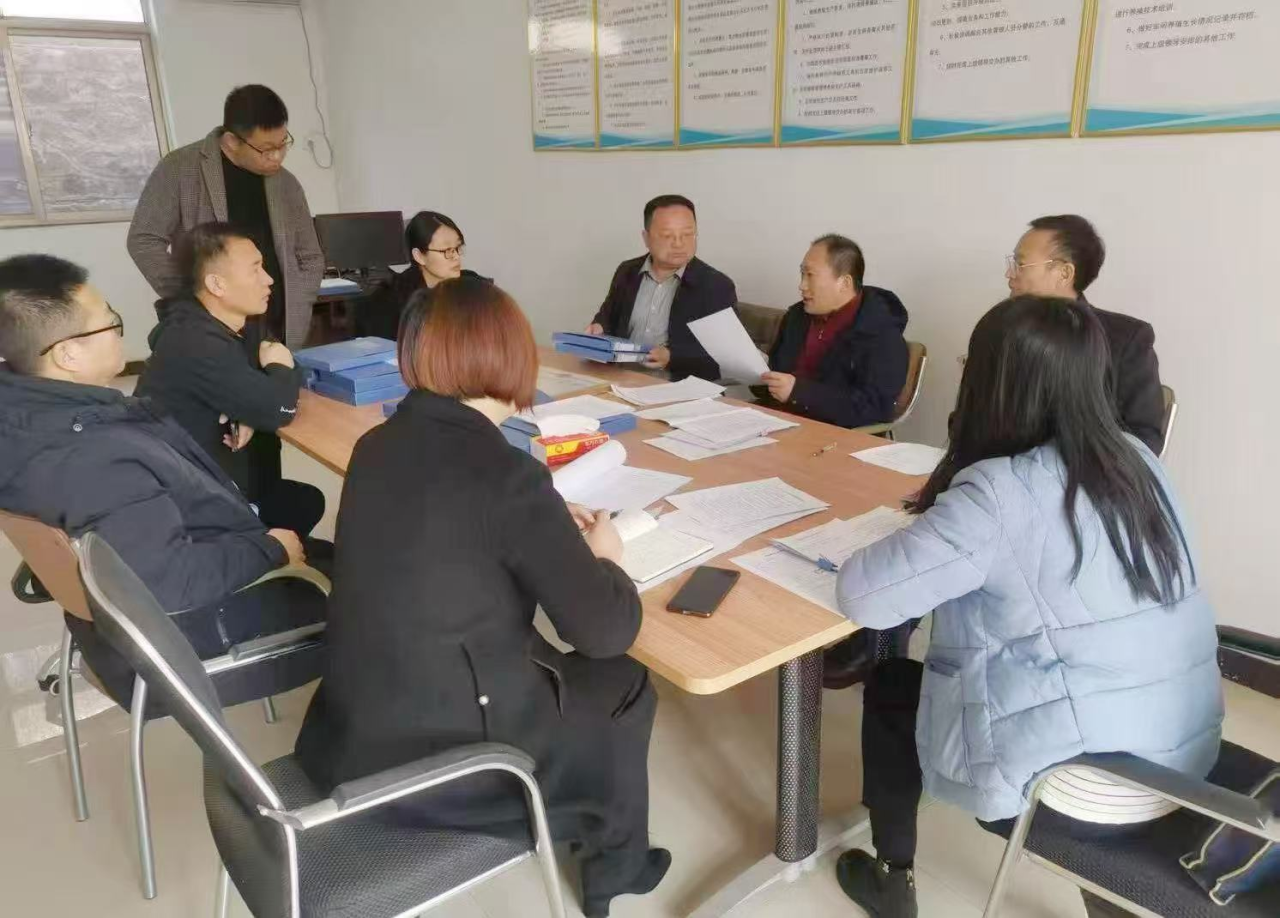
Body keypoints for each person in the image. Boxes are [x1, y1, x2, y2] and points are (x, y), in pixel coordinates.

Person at [832, 296, 1222, 918]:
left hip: (1085, 787)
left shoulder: (999, 492)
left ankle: (891, 877)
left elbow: (863, 595)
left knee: (892, 685)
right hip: (1184, 759)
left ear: (997, 382)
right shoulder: (1140, 460)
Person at [294, 277, 669, 917]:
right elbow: (605, 631)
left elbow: (447, 531)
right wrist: (605, 558)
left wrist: (543, 523)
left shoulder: (375, 444)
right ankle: (617, 864)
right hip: (443, 758)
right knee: (625, 681)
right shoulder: (507, 474)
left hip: (353, 724)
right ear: (511, 358)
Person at [0, 255, 327, 707]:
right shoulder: (93, 456)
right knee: (372, 584)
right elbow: (171, 583)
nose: (120, 331)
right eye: (110, 321)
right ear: (67, 354)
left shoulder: (30, 419)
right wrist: (271, 549)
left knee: (312, 523)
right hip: (185, 635)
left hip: (129, 606)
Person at [137, 223, 324, 537]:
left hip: (201, 482)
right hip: (188, 509)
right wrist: (278, 372)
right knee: (304, 508)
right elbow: (279, 408)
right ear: (217, 284)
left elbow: (269, 356)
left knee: (303, 500)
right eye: (255, 269)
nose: (269, 279)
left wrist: (245, 407)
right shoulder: (196, 341)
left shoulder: (215, 322)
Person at [127, 84, 324, 351]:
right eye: (266, 149)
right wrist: (191, 296)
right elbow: (143, 239)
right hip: (210, 326)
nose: (277, 157)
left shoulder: (287, 184)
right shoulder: (180, 168)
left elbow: (310, 255)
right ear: (232, 141)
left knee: (281, 376)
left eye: (283, 144)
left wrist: (302, 299)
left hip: (280, 322)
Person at [1007, 214, 1165, 454]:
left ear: (1064, 273)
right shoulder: (1003, 330)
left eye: (1020, 264)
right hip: (997, 471)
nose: (1009, 274)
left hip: (1084, 474)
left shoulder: (1126, 339)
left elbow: (1144, 439)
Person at [761, 234, 908, 428]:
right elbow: (779, 374)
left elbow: (874, 407)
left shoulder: (881, 332)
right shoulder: (797, 317)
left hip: (832, 434)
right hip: (775, 420)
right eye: (802, 274)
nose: (802, 286)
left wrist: (798, 392)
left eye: (810, 275)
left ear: (844, 283)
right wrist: (760, 370)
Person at [588, 194, 736, 381]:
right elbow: (608, 316)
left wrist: (672, 357)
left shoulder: (716, 285)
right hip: (620, 379)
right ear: (646, 238)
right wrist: (599, 327)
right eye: (667, 235)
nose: (679, 243)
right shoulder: (627, 271)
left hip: (678, 388)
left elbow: (724, 356)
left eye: (687, 234)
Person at [358, 210, 486, 340]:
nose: (456, 256)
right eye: (447, 250)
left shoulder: (473, 287)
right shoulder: (391, 300)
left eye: (457, 247)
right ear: (419, 256)